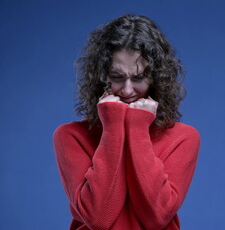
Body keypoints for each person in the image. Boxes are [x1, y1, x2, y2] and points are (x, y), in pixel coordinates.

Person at [53, 14, 200, 230]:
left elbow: (156, 218)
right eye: (117, 76)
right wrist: (113, 127)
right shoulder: (70, 136)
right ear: (102, 76)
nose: (128, 90)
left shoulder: (184, 138)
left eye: (139, 78)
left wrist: (137, 128)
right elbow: (98, 219)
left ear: (156, 79)